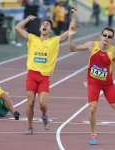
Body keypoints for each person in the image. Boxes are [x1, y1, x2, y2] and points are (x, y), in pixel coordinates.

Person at [68, 8, 115, 145]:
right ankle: (93, 134)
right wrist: (70, 36)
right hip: (93, 82)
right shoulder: (91, 45)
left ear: (112, 39)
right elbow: (72, 49)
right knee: (92, 108)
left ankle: (105, 96)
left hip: (108, 84)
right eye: (104, 35)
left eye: (109, 36)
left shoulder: (114, 52)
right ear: (100, 36)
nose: (106, 38)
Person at [14, 6, 77, 135]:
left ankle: (44, 116)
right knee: (30, 102)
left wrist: (74, 15)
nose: (45, 25)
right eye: (43, 24)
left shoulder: (54, 41)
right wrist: (27, 19)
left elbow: (70, 30)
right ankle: (30, 127)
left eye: (47, 25)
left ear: (50, 30)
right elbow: (17, 28)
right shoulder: (32, 39)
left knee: (42, 104)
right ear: (40, 28)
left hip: (44, 78)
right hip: (31, 75)